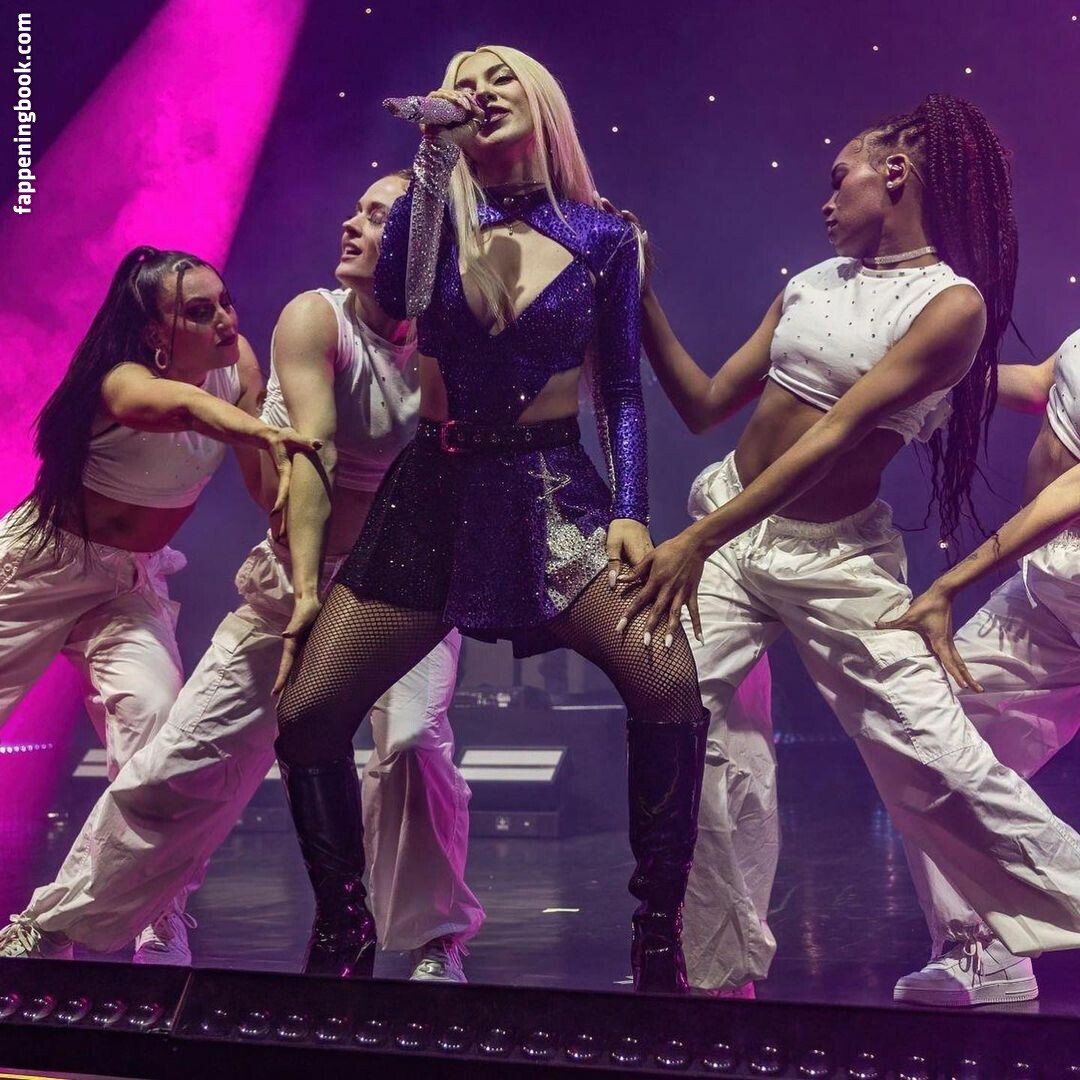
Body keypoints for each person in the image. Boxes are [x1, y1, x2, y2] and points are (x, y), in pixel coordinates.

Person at [615, 93, 1080, 995]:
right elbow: (704, 404)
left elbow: (834, 435)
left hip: (835, 561)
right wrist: (639, 298)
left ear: (894, 172)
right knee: (684, 721)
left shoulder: (950, 305)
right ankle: (717, 970)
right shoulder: (810, 284)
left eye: (841, 179)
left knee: (933, 750)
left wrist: (695, 541)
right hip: (735, 532)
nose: (826, 201)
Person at [274, 45, 709, 993]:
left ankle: (656, 940)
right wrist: (434, 158)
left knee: (669, 682)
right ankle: (343, 930)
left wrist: (632, 509)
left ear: (540, 100)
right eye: (463, 82)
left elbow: (621, 392)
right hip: (433, 494)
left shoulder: (605, 237)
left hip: (552, 493)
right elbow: (396, 294)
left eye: (499, 76)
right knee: (307, 714)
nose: (479, 91)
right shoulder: (436, 216)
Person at [0, 177, 485, 982]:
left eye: (375, 216)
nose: (349, 222)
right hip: (275, 580)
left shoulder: (449, 340)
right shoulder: (313, 318)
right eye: (354, 207)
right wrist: (301, 565)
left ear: (423, 240)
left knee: (412, 745)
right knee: (185, 761)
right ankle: (55, 926)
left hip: (402, 586)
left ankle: (436, 944)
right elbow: (293, 464)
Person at [0, 246, 312, 960]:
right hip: (39, 568)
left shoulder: (239, 368)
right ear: (153, 333)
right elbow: (175, 407)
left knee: (157, 726)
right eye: (199, 312)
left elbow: (263, 487)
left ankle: (157, 914)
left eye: (225, 302)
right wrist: (257, 426)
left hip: (129, 584)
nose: (225, 320)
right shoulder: (123, 378)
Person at [882, 327, 1080, 1005]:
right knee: (928, 734)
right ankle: (980, 948)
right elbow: (1048, 381)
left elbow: (1066, 495)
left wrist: (949, 583)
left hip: (1060, 584)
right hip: (1050, 594)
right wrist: (937, 368)